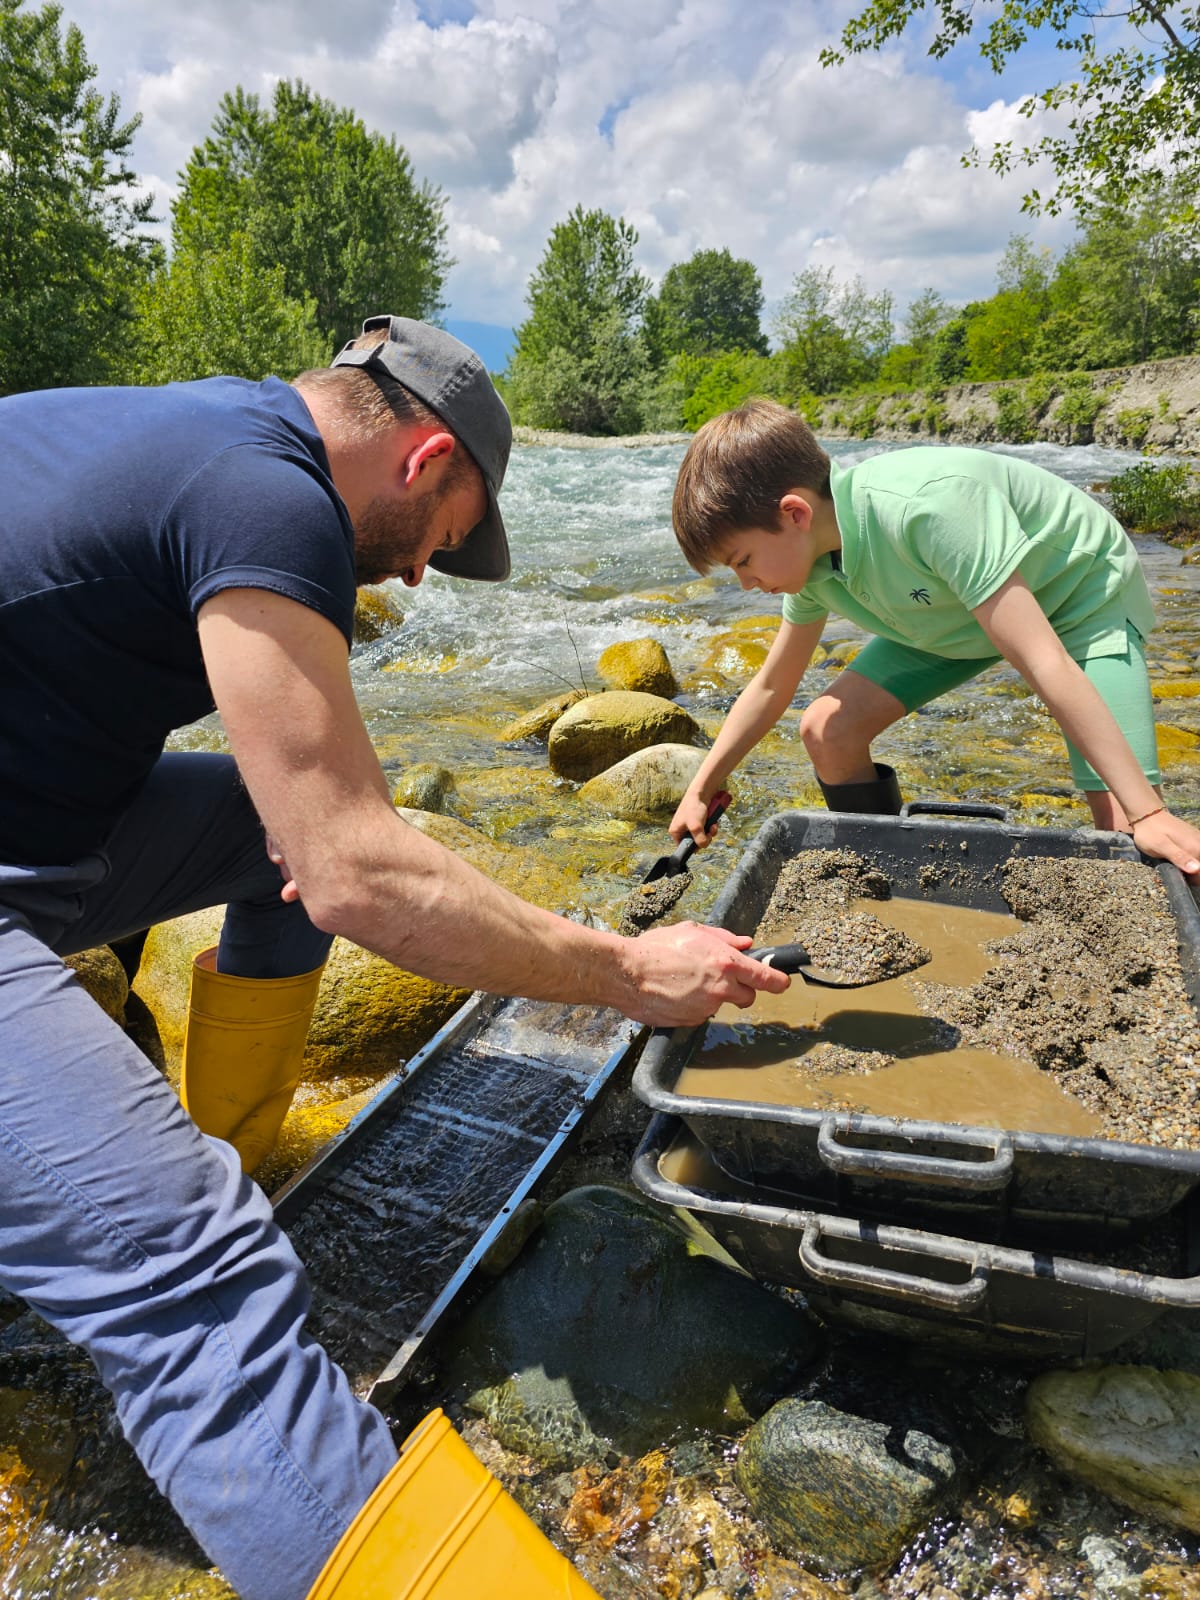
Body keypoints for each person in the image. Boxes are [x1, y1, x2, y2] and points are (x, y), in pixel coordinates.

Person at [0, 318, 790, 1600]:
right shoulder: (269, 495)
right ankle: (191, 1210)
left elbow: (309, 844)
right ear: (425, 460)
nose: (424, 577)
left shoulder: (207, 430)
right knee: (192, 1276)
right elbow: (361, 871)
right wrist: (630, 971)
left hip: (37, 839)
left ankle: (235, 1144)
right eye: (448, 538)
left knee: (273, 840)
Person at [668, 397, 1200, 883]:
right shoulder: (811, 565)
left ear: (795, 514)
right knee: (828, 730)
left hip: (1075, 593)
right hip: (950, 614)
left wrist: (1148, 812)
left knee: (1128, 831)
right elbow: (768, 689)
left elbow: (1042, 659)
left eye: (743, 561)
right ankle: (887, 880)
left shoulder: (928, 510)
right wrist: (700, 788)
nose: (745, 583)